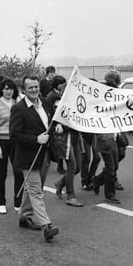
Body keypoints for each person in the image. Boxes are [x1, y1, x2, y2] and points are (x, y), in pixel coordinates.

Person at [11, 76, 59, 242]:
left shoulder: (45, 102)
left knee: (31, 189)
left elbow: (50, 123)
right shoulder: (19, 108)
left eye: (36, 87)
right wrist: (35, 139)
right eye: (30, 87)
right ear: (23, 90)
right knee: (36, 190)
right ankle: (47, 226)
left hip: (44, 155)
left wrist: (57, 127)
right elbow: (15, 134)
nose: (34, 90)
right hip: (27, 158)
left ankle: (24, 217)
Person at [0, 78, 25, 214]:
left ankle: (18, 202)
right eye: (6, 88)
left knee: (19, 172)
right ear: (1, 90)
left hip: (17, 142)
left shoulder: (19, 103)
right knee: (2, 174)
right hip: (1, 142)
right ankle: (1, 202)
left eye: (11, 88)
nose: (8, 91)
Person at [47, 76, 83, 207]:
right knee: (72, 167)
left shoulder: (74, 100)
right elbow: (52, 116)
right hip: (64, 137)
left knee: (78, 167)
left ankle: (61, 182)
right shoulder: (54, 99)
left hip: (75, 135)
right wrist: (57, 124)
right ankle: (70, 195)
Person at [92, 71, 123, 204]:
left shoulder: (116, 94)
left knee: (114, 165)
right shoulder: (103, 96)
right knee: (111, 166)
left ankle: (98, 180)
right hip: (104, 136)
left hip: (113, 134)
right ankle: (109, 195)